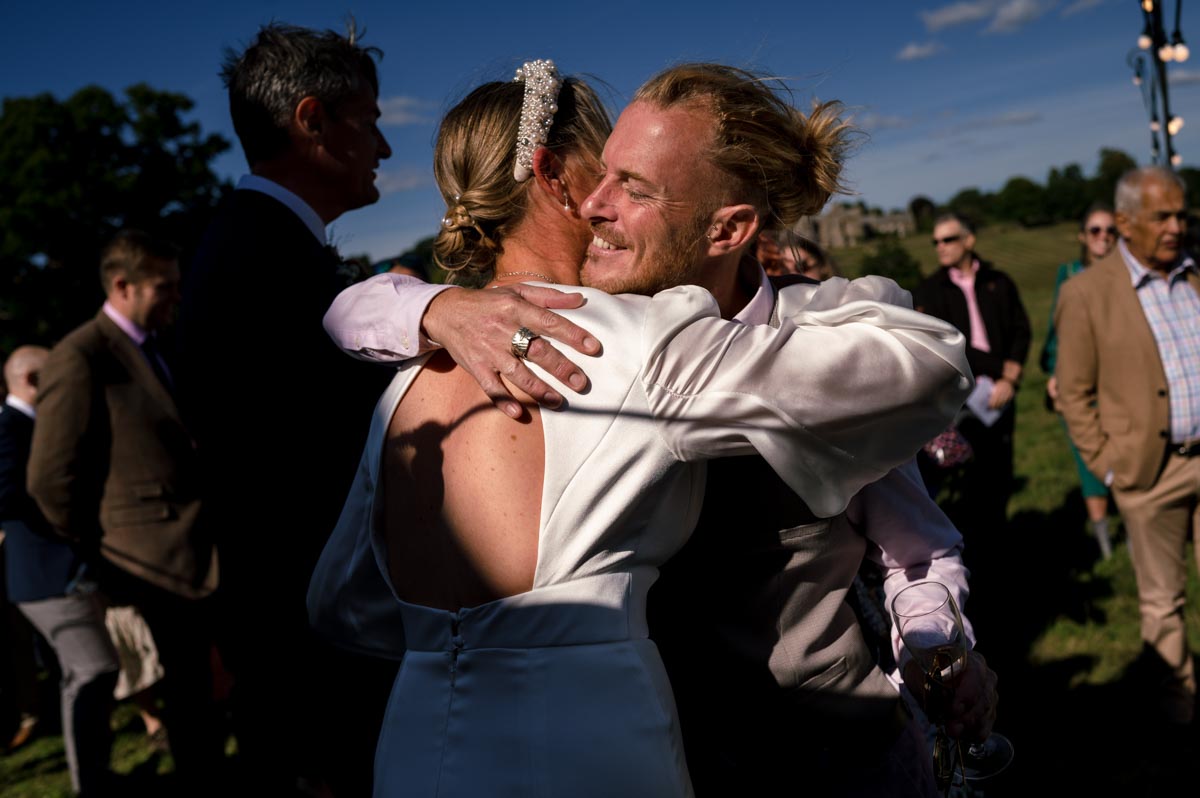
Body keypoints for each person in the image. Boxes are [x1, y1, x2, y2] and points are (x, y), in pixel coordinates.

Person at [312, 61, 984, 797]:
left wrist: (932, 644)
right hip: (631, 743)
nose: (602, 203)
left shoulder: (406, 383)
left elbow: (345, 603)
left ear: (728, 227)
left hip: (814, 750)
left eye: (630, 184)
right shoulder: (624, 339)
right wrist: (433, 306)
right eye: (602, 174)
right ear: (554, 178)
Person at [177, 21, 400, 796]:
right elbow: (302, 471)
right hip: (310, 640)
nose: (385, 149)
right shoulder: (262, 260)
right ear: (313, 121)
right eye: (369, 122)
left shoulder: (255, 243)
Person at [1055, 165, 1198, 726]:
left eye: (1181, 214)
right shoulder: (1086, 292)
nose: (1175, 226)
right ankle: (1176, 702)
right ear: (1124, 222)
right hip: (1148, 474)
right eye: (1162, 216)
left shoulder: (1193, 272)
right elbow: (1073, 390)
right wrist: (1110, 468)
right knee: (1163, 601)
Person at [2, 345, 121, 796]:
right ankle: (90, 782)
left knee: (83, 676)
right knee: (95, 671)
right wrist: (62, 514)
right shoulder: (9, 427)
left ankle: (91, 777)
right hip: (46, 576)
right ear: (33, 382)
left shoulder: (28, 425)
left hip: (60, 572)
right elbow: (5, 494)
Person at [914, 213, 1031, 559]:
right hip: (960, 399)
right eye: (936, 241)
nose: (941, 247)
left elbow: (1021, 329)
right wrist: (1000, 368)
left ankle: (1000, 543)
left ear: (969, 240)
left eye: (948, 239)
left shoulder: (998, 281)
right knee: (966, 481)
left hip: (1001, 393)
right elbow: (951, 343)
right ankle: (970, 550)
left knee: (1000, 471)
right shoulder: (931, 290)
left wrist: (1010, 377)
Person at [1040, 202, 1117, 558]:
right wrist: (1056, 375)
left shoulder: (1129, 276)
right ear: (1083, 236)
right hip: (1081, 381)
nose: (1104, 237)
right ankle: (1105, 543)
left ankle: (1135, 529)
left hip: (1120, 381)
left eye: (1110, 231)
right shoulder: (1069, 273)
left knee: (1128, 454)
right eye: (1096, 230)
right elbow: (1057, 333)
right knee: (1087, 458)